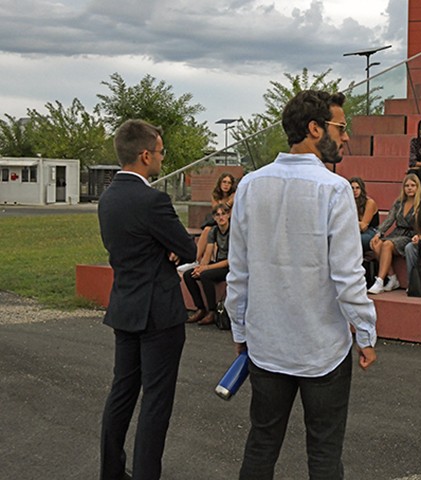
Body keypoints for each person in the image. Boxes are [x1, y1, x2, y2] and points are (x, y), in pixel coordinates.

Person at [225, 90, 377, 479]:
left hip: (267, 344)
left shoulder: (251, 185)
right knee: (324, 454)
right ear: (315, 128)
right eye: (340, 128)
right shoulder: (334, 188)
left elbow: (238, 272)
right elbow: (348, 273)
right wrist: (365, 332)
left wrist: (239, 328)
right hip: (321, 346)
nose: (345, 137)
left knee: (261, 444)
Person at [98, 119, 197, 480]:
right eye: (159, 152)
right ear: (144, 155)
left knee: (121, 394)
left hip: (124, 306)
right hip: (158, 313)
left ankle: (111, 471)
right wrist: (170, 250)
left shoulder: (108, 197)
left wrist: (164, 248)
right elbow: (187, 248)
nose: (161, 158)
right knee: (156, 403)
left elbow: (132, 246)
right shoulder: (153, 199)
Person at [368, 173, 421, 294]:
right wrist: (378, 234)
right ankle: (392, 278)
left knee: (387, 244)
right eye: (407, 185)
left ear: (418, 187)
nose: (409, 188)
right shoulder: (399, 203)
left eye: (413, 185)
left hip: (410, 235)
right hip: (396, 233)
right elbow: (389, 220)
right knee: (376, 244)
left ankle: (380, 281)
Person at [184, 203, 231, 325]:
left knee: (206, 275)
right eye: (218, 215)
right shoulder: (214, 231)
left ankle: (212, 311)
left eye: (223, 214)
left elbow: (230, 260)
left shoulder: (233, 232)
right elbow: (208, 253)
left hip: (229, 266)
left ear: (228, 215)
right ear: (214, 218)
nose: (221, 217)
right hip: (218, 262)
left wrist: (206, 268)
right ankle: (201, 309)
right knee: (189, 275)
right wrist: (200, 267)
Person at [195, 172, 236, 262]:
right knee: (207, 230)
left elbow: (230, 215)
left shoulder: (234, 195)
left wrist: (231, 201)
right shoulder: (215, 195)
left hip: (229, 223)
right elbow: (217, 211)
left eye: (229, 183)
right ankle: (195, 259)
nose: (226, 185)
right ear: (220, 183)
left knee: (210, 230)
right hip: (217, 222)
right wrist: (229, 203)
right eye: (224, 182)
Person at [350, 176, 379, 253]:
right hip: (354, 231)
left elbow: (363, 226)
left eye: (357, 188)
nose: (355, 190)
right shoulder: (349, 203)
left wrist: (350, 223)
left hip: (371, 231)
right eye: (352, 188)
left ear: (362, 189)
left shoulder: (369, 202)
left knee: (354, 240)